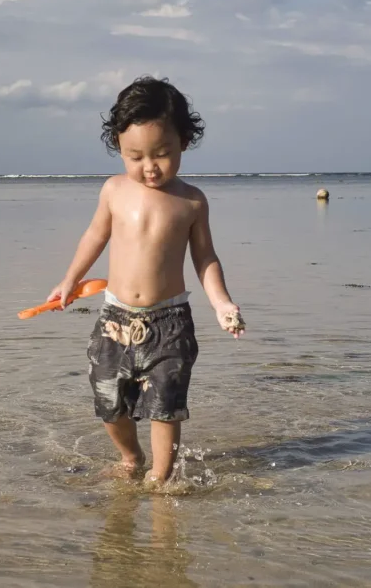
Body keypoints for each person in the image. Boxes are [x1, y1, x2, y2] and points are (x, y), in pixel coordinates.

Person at [46, 75, 245, 485]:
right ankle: (131, 457)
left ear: (184, 142)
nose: (149, 167)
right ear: (118, 148)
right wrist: (69, 280)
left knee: (165, 406)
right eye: (134, 156)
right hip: (115, 319)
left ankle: (160, 477)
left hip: (170, 323)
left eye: (162, 153)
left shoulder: (191, 200)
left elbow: (205, 258)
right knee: (108, 401)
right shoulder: (114, 190)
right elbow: (94, 237)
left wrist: (222, 303)